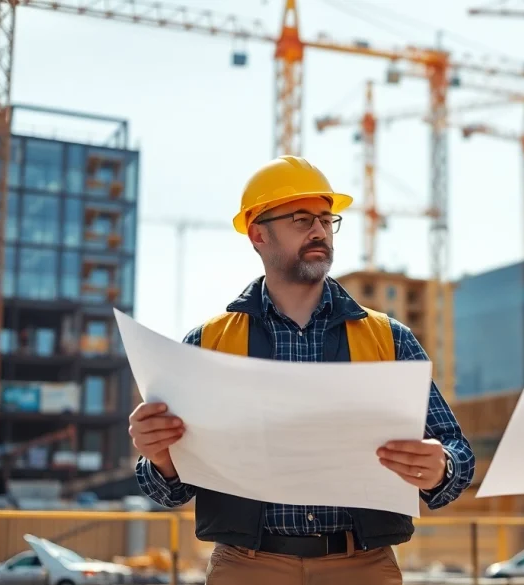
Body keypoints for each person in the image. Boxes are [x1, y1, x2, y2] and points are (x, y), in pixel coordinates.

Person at [127, 156, 475, 585]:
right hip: (246, 567)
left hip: (362, 567)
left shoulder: (390, 338)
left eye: (327, 220)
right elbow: (169, 491)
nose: (319, 231)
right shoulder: (208, 344)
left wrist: (441, 467)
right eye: (301, 219)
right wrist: (159, 457)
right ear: (258, 233)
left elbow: (459, 453)